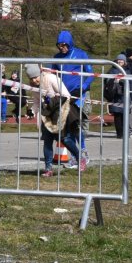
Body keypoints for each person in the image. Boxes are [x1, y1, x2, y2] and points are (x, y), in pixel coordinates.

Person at [25, 63, 85, 176]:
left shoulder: (51, 78)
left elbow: (66, 95)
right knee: (47, 142)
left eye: (35, 77)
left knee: (65, 140)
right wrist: (32, 111)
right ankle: (48, 168)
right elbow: (37, 102)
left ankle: (80, 158)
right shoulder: (33, 86)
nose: (33, 81)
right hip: (46, 115)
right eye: (31, 78)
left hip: (60, 113)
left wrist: (51, 100)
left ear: (40, 74)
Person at [51, 31, 93, 161]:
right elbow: (53, 75)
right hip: (63, 94)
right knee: (68, 127)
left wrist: (83, 88)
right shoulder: (57, 57)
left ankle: (83, 151)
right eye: (59, 45)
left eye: (64, 45)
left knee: (75, 124)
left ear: (69, 43)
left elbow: (90, 73)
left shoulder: (80, 54)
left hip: (78, 95)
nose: (62, 48)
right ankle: (76, 155)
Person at [104, 54, 127, 138]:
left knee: (125, 115)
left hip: (125, 95)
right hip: (116, 96)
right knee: (117, 115)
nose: (120, 61)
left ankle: (125, 132)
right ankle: (119, 133)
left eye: (122, 60)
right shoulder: (112, 70)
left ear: (125, 61)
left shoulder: (127, 70)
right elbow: (106, 81)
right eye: (119, 60)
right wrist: (115, 80)